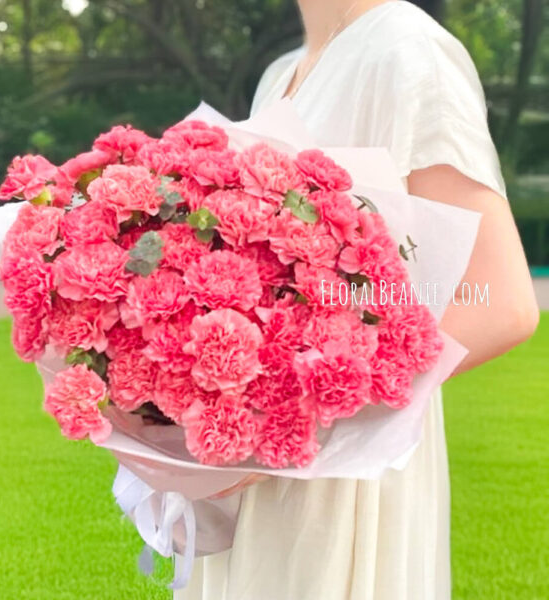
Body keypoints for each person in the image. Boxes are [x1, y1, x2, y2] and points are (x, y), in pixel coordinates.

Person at [175, 1, 539, 598]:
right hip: (258, 473)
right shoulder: (281, 74)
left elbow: (500, 300)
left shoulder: (407, 50)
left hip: (342, 474)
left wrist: (281, 422)